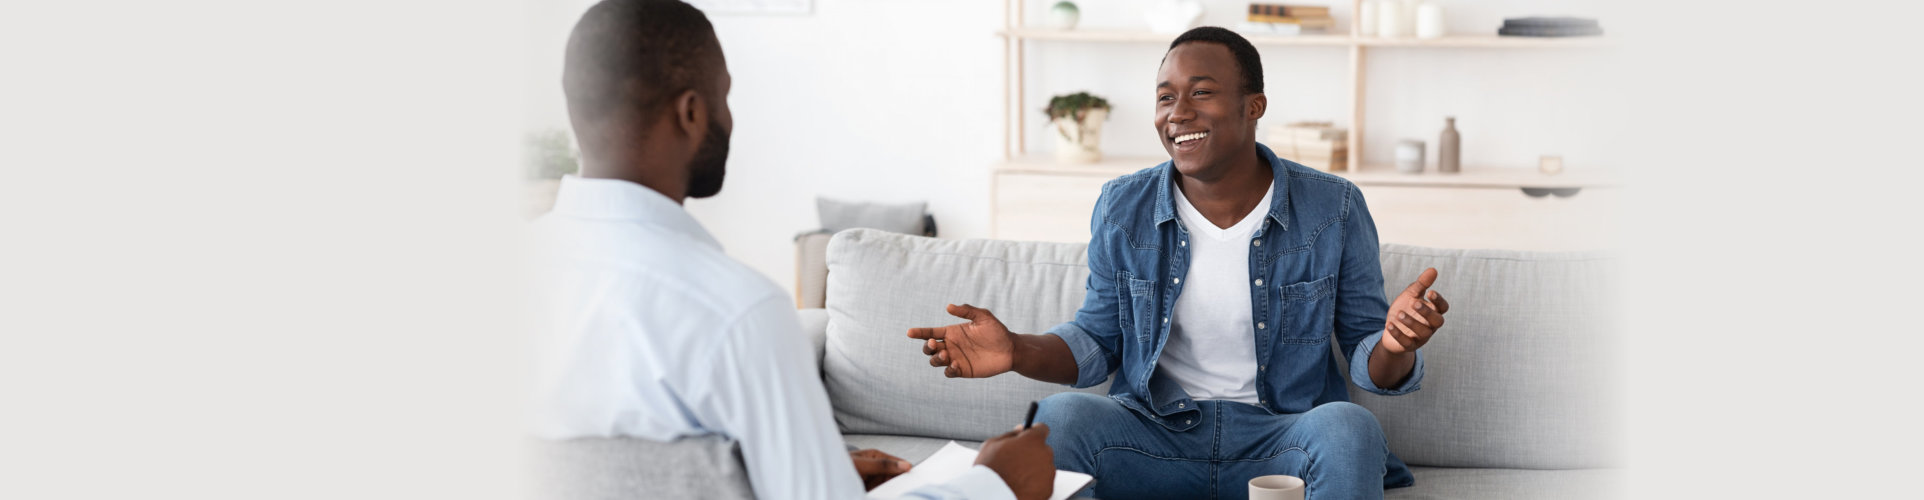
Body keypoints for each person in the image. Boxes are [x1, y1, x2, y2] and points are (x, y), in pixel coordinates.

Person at [529, 1, 1054, 499]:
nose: (729, 119)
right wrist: (995, 483)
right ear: (691, 113)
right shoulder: (736, 313)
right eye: (724, 98)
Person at [907, 27, 1450, 500]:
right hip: (1153, 436)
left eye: (1202, 93)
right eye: (1165, 98)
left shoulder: (1333, 207)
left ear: (1254, 105)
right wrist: (1018, 349)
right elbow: (1098, 341)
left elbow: (1369, 363)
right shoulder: (1123, 206)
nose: (1178, 113)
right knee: (1061, 419)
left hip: (1279, 441)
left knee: (1348, 428)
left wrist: (1395, 345)